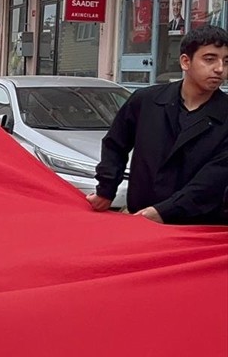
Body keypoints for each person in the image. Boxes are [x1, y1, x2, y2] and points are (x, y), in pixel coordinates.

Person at [90, 25, 228, 224]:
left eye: (226, 61)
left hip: (200, 230)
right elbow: (115, 144)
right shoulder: (146, 101)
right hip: (143, 221)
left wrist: (164, 211)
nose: (220, 69)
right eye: (209, 59)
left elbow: (213, 180)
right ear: (185, 61)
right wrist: (106, 190)